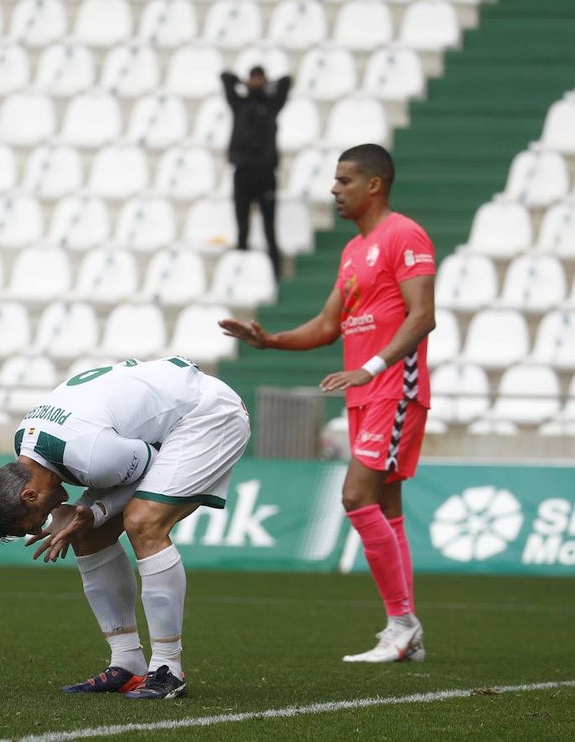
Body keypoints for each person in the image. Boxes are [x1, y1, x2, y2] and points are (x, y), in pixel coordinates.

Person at [220, 143, 435, 663]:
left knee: (355, 498)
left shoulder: (403, 235)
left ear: (374, 185)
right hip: (365, 392)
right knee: (385, 508)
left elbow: (422, 315)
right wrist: (269, 340)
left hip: (392, 387)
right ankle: (403, 629)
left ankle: (402, 624)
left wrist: (373, 366)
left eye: (343, 181)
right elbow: (325, 326)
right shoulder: (352, 251)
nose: (334, 190)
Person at [0, 356, 250, 700]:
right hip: (166, 419)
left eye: (37, 519)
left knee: (143, 522)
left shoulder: (92, 457)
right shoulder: (25, 445)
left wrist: (96, 509)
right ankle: (127, 663)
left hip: (207, 415)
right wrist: (88, 516)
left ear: (29, 494)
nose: (46, 520)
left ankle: (167, 668)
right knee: (85, 530)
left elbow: (150, 461)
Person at [221, 65, 292, 280]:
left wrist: (264, 86)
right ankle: (240, 276)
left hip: (265, 174)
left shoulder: (271, 105)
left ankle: (275, 275)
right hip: (242, 172)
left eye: (259, 79)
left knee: (269, 229)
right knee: (242, 228)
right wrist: (246, 84)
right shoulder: (239, 104)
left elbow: (287, 81)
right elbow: (225, 77)